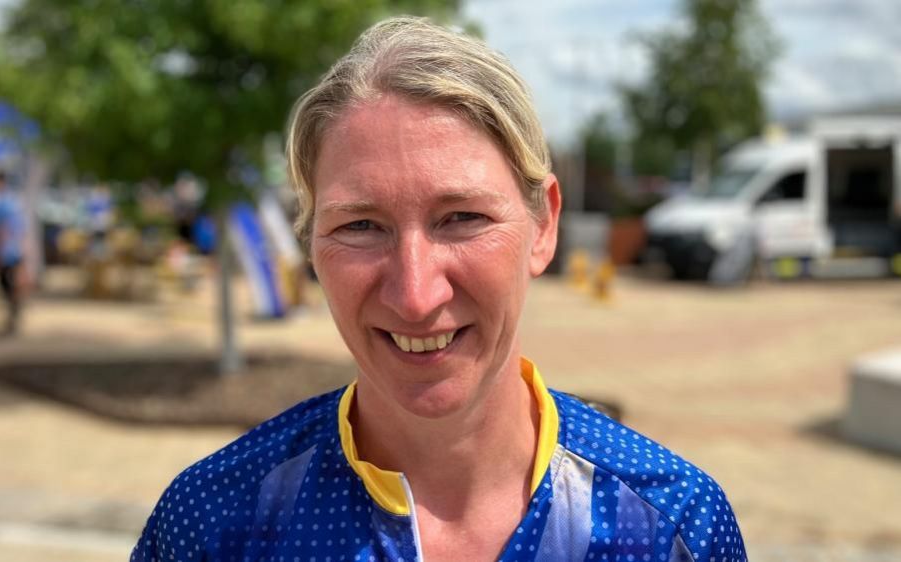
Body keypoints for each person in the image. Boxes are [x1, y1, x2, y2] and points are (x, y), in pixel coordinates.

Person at [132, 17, 746, 562]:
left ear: (544, 225)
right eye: (360, 226)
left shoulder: (667, 528)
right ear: (311, 243)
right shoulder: (213, 524)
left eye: (462, 218)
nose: (416, 295)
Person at [0, 171, 27, 336]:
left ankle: (12, 316)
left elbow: (3, 229)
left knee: (5, 284)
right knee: (11, 284)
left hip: (5, 251)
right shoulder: (13, 200)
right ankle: (13, 315)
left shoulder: (1, 202)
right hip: (14, 249)